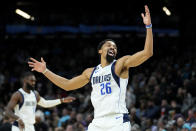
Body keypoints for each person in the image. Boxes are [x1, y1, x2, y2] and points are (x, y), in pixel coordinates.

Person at [28, 5, 153, 131]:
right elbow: (67, 85)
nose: (113, 48)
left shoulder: (120, 64)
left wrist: (148, 27)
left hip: (117, 120)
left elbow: (147, 53)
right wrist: (45, 71)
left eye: (115, 47)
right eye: (109, 45)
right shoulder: (91, 72)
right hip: (97, 121)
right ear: (100, 51)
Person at [5, 72, 75, 131]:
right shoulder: (18, 95)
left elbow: (45, 103)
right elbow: (7, 110)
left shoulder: (35, 94)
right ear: (24, 81)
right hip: (19, 127)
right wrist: (18, 119)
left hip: (30, 127)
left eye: (35, 81)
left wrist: (61, 100)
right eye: (32, 81)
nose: (34, 83)